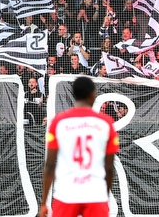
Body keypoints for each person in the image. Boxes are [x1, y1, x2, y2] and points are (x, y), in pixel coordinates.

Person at [38, 76, 118, 217]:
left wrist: (44, 203)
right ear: (93, 94)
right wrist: (103, 195)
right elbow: (109, 167)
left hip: (66, 193)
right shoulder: (106, 123)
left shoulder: (59, 122)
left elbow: (50, 164)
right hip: (95, 194)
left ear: (74, 94)